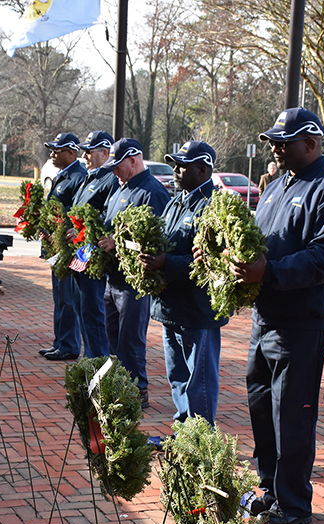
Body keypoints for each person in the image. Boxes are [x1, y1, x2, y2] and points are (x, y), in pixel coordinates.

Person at [231, 107, 324, 524]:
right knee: (262, 409)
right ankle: (268, 489)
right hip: (266, 317)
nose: (275, 149)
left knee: (292, 415)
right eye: (272, 142)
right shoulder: (275, 187)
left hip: (302, 324)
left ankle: (293, 502)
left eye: (283, 143)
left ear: (312, 143)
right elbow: (256, 241)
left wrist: (270, 271)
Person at [139, 141, 226, 424]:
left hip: (197, 311)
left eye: (183, 166)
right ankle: (183, 432)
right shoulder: (177, 200)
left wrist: (166, 263)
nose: (176, 170)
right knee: (177, 377)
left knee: (198, 382)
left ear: (202, 170)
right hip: (171, 307)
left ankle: (200, 441)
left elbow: (213, 262)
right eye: (175, 164)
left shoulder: (213, 207)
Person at [97, 138, 169, 409]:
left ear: (133, 160)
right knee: (113, 336)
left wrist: (120, 243)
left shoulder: (153, 192)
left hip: (133, 282)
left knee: (131, 339)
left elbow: (160, 242)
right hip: (112, 279)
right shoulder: (119, 188)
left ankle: (138, 391)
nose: (114, 171)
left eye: (118, 165)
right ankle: (119, 387)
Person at [38, 132, 88, 361]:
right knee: (59, 295)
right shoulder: (63, 174)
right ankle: (60, 341)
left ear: (71, 152)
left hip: (68, 247)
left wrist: (58, 229)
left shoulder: (79, 176)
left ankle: (69, 345)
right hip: (56, 246)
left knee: (68, 297)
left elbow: (77, 214)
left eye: (57, 150)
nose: (52, 154)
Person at [68, 130, 118, 359]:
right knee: (81, 307)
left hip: (92, 252)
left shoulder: (110, 179)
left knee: (92, 311)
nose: (85, 155)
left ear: (105, 153)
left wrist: (81, 232)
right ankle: (89, 356)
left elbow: (107, 219)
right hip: (81, 252)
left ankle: (97, 360)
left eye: (89, 151)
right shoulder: (91, 176)